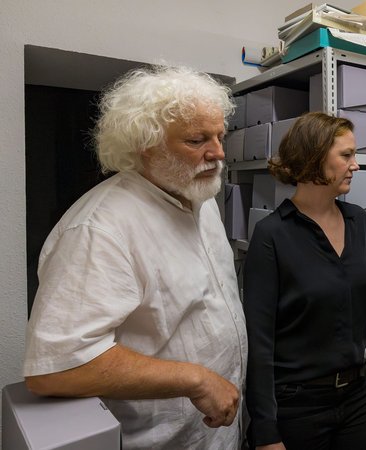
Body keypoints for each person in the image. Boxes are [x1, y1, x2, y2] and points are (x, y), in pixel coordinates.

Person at [23, 65, 247, 449]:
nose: (218, 152)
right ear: (146, 144)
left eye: (219, 136)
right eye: (197, 140)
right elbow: (58, 367)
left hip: (217, 432)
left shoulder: (199, 197)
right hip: (160, 441)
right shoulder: (100, 228)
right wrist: (196, 378)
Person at [244, 111, 366, 450]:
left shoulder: (356, 220)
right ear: (314, 157)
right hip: (298, 405)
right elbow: (258, 343)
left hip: (356, 395)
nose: (356, 165)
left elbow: (365, 291)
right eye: (347, 155)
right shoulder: (271, 235)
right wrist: (265, 431)